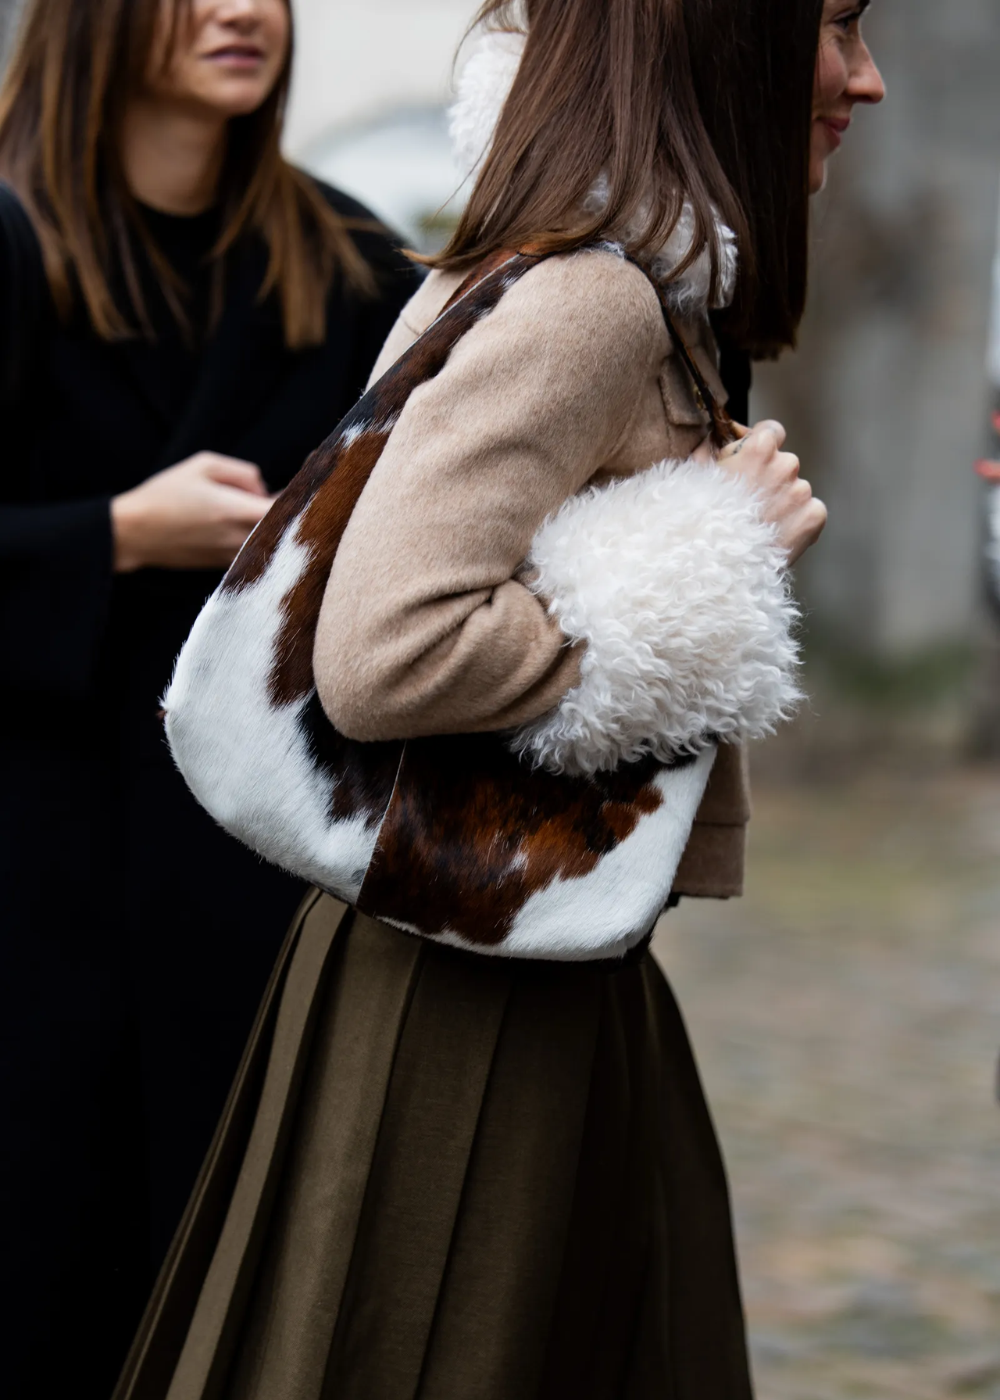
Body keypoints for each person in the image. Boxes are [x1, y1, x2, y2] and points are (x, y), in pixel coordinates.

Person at [116, 2, 884, 1398]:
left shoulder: (619, 282)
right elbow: (386, 646)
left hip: (519, 953)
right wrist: (711, 559)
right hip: (459, 988)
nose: (866, 77)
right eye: (836, 26)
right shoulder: (589, 298)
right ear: (719, 36)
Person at [0, 2, 419, 1396]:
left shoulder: (351, 265)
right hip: (35, 877)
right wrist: (116, 534)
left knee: (245, 1295)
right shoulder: (9, 244)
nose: (243, 9)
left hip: (251, 874)